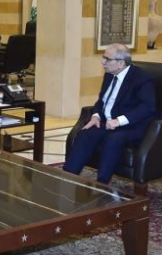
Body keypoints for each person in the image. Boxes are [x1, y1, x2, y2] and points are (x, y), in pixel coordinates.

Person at [64, 43, 156, 183]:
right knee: (85, 134)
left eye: (107, 59)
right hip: (108, 123)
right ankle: (67, 177)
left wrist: (119, 121)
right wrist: (96, 116)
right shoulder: (109, 75)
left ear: (120, 63)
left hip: (131, 126)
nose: (102, 62)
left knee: (113, 140)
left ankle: (102, 184)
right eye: (103, 57)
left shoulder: (142, 79)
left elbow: (147, 107)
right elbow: (102, 101)